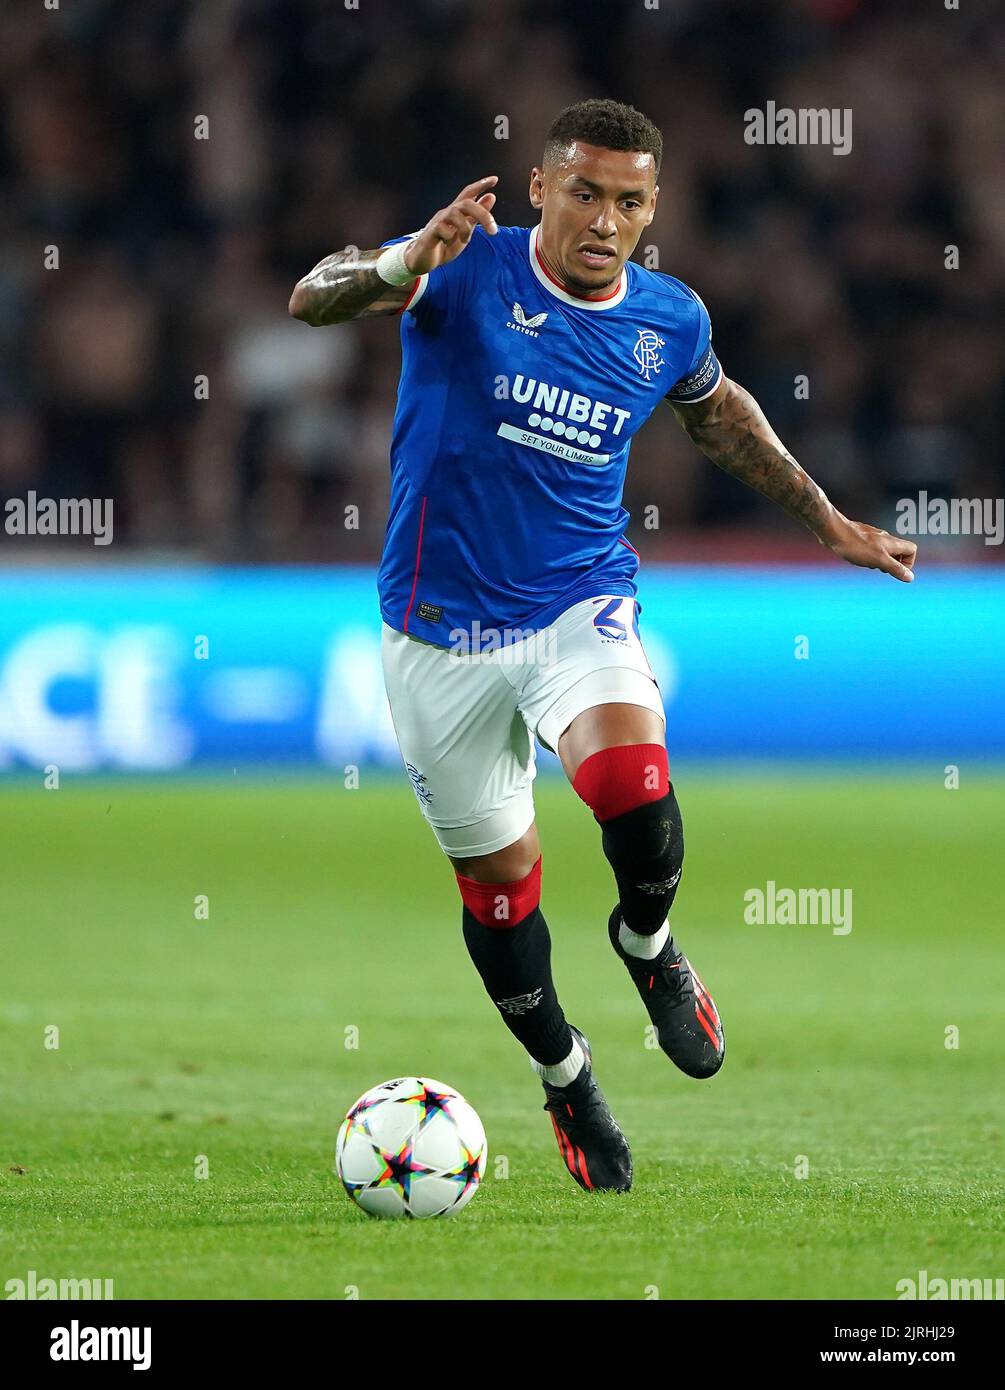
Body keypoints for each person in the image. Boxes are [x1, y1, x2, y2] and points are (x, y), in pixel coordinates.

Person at [289, 98, 917, 1194]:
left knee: (634, 785)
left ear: (652, 208)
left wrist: (828, 523)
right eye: (584, 192)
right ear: (541, 188)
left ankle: (646, 943)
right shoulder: (464, 267)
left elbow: (721, 417)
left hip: (578, 603)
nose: (604, 219)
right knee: (501, 888)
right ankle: (566, 1071)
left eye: (629, 201)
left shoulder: (668, 319)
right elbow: (310, 299)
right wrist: (400, 261)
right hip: (437, 632)